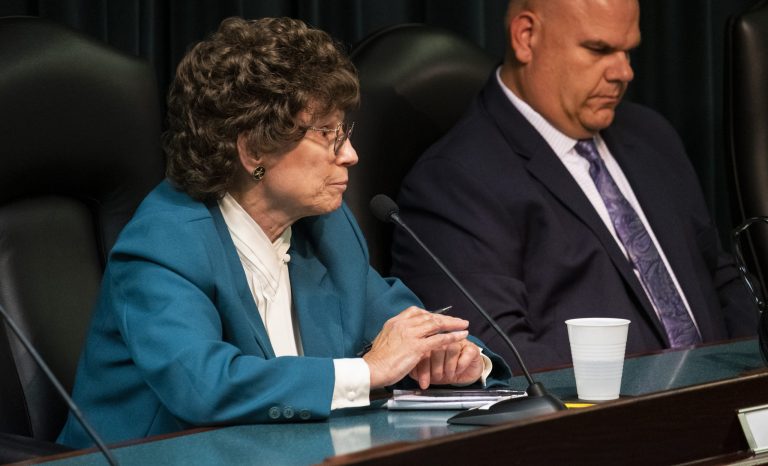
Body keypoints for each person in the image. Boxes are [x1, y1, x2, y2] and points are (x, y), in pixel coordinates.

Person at [57, 17, 511, 448]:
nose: (350, 154)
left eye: (346, 131)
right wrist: (367, 371)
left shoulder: (324, 227)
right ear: (255, 149)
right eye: (329, 134)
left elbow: (398, 322)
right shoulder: (164, 242)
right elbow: (204, 385)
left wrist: (463, 359)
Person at [391, 0, 757, 371]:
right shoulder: (454, 181)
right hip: (609, 418)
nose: (624, 72)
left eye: (628, 50)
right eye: (599, 49)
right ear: (526, 37)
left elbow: (718, 278)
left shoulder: (652, 135)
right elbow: (500, 357)